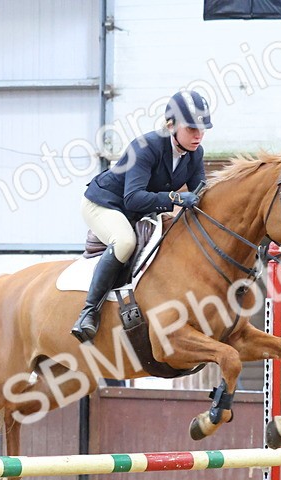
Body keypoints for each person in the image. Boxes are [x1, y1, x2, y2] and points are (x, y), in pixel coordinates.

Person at [70, 89, 211, 343]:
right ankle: (88, 313)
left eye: (202, 129)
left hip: (140, 209)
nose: (198, 135)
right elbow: (132, 198)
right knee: (125, 242)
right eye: (191, 129)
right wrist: (177, 199)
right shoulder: (145, 147)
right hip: (105, 204)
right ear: (171, 126)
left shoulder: (195, 154)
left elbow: (202, 196)